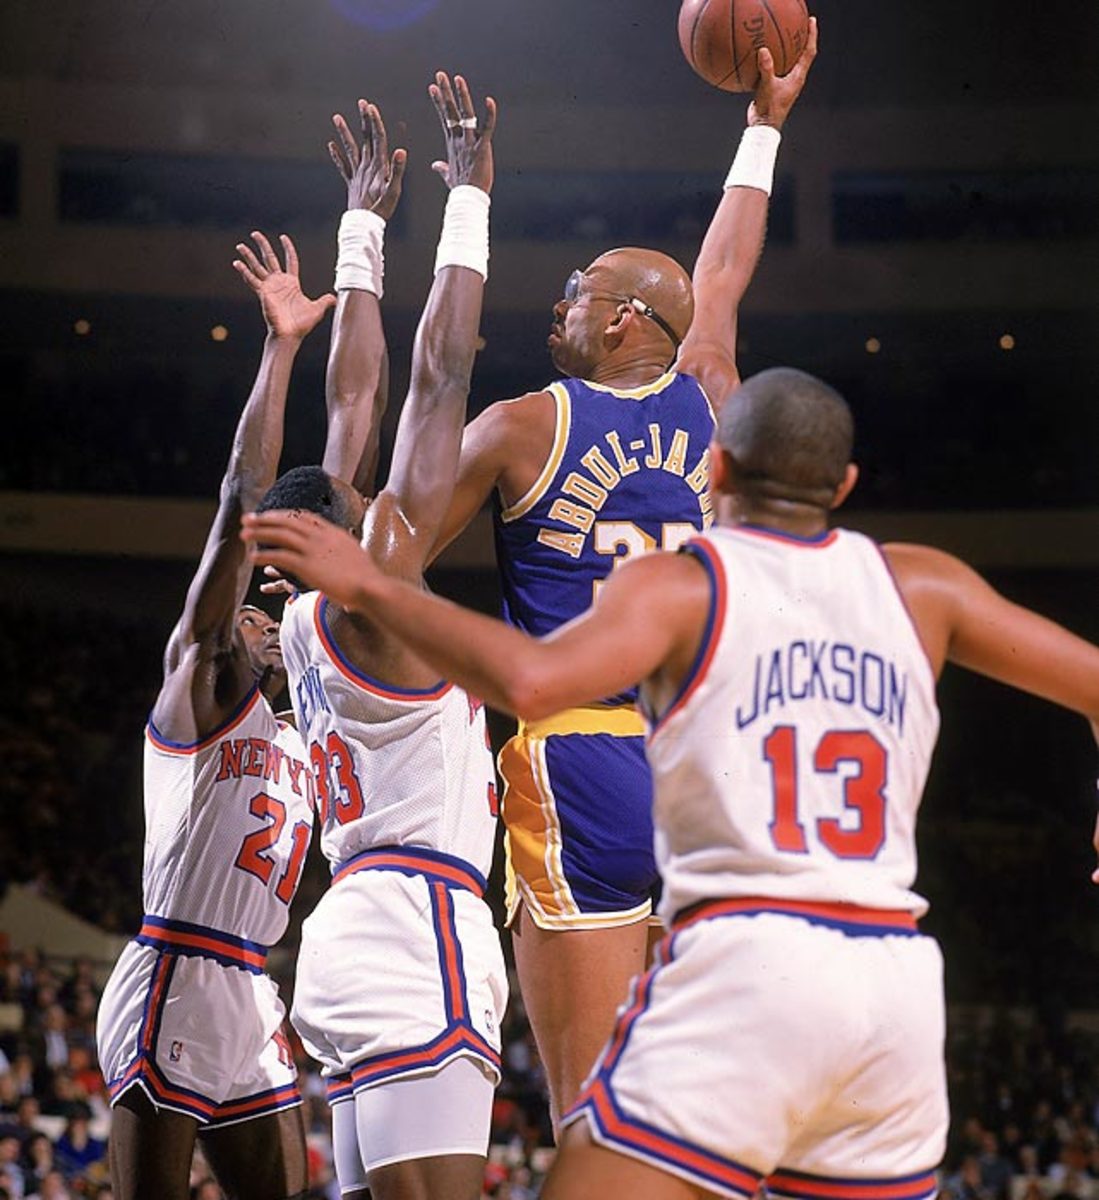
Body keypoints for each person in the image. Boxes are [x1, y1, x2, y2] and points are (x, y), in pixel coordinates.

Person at [242, 364, 1099, 1200]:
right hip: (894, 984)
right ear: (842, 483)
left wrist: (369, 586)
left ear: (715, 468)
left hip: (744, 952)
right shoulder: (924, 584)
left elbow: (535, 683)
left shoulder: (685, 584)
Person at [423, 25, 816, 1129]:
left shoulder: (520, 426)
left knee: (593, 1116)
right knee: (692, 1116)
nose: (567, 302)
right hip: (695, 761)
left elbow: (392, 546)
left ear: (625, 320)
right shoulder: (709, 391)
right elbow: (725, 271)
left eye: (583, 290)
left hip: (575, 758)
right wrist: (763, 128)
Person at [262, 75, 507, 1200]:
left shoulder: (308, 608)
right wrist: (467, 202)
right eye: (368, 510)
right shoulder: (379, 582)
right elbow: (437, 374)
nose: (388, 506)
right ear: (353, 530)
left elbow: (349, 406)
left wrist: (361, 226)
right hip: (420, 929)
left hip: (346, 924)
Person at [94, 228, 340, 1200]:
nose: (273, 610)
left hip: (248, 985)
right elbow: (240, 502)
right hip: (174, 974)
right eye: (265, 594)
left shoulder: (306, 728)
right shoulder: (202, 679)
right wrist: (281, 352)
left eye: (287, 599)